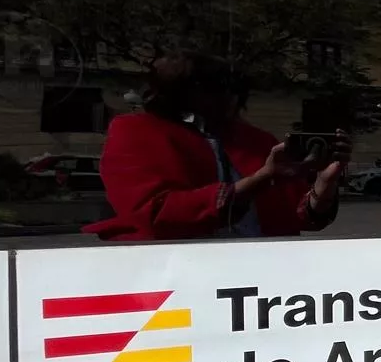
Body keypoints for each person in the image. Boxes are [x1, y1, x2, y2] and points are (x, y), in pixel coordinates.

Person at [85, 50, 349, 241]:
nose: (230, 101)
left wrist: (323, 186)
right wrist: (260, 179)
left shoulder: (255, 139)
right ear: (181, 92)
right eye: (217, 91)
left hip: (264, 272)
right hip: (176, 270)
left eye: (234, 92)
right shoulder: (135, 130)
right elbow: (155, 213)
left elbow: (300, 216)